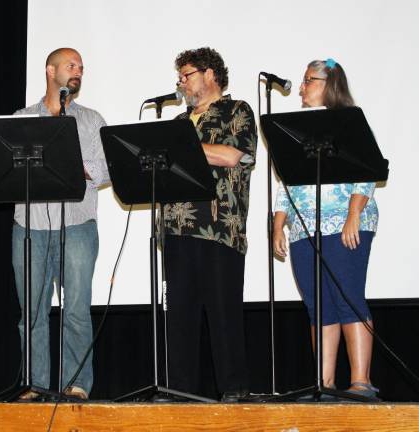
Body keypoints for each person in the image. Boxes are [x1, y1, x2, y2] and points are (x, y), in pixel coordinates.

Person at [273, 59, 379, 399]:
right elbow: (285, 183)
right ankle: (325, 384)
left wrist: (353, 214)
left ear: (330, 83)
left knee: (348, 299)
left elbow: (368, 170)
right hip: (305, 229)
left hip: (345, 223)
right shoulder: (293, 129)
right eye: (303, 81)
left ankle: (361, 382)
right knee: (318, 307)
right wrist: (278, 226)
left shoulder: (350, 122)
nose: (302, 87)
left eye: (309, 80)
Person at [11, 48, 109, 400]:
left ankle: (77, 384)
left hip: (79, 224)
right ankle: (34, 384)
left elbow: (107, 169)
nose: (78, 70)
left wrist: (78, 166)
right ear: (50, 71)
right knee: (32, 314)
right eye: (71, 65)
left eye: (82, 66)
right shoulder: (22, 117)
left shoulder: (92, 119)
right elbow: (9, 170)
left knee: (77, 311)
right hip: (30, 226)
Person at [161, 47, 257, 402]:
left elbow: (232, 156)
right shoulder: (176, 124)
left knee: (223, 310)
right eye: (180, 77)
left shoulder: (237, 111)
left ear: (210, 74)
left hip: (220, 227)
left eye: (187, 75)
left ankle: (234, 388)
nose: (181, 83)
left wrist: (182, 147)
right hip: (176, 227)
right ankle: (179, 389)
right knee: (180, 313)